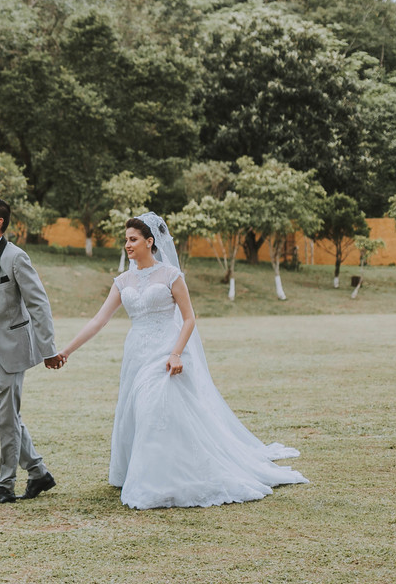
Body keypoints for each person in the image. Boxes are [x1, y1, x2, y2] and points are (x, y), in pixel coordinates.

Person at [56, 213, 308, 509]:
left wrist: (175, 352)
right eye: (125, 239)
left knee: (154, 408)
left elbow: (189, 319)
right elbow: (99, 320)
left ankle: (158, 482)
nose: (127, 244)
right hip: (137, 352)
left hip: (168, 350)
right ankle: (148, 470)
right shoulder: (123, 281)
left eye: (133, 239)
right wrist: (66, 351)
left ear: (150, 242)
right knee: (137, 411)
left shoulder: (171, 275)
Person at [0, 197, 65, 505]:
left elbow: (39, 304)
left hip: (13, 348)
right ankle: (38, 472)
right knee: (3, 417)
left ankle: (5, 485)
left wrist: (49, 349)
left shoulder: (16, 257)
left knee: (7, 418)